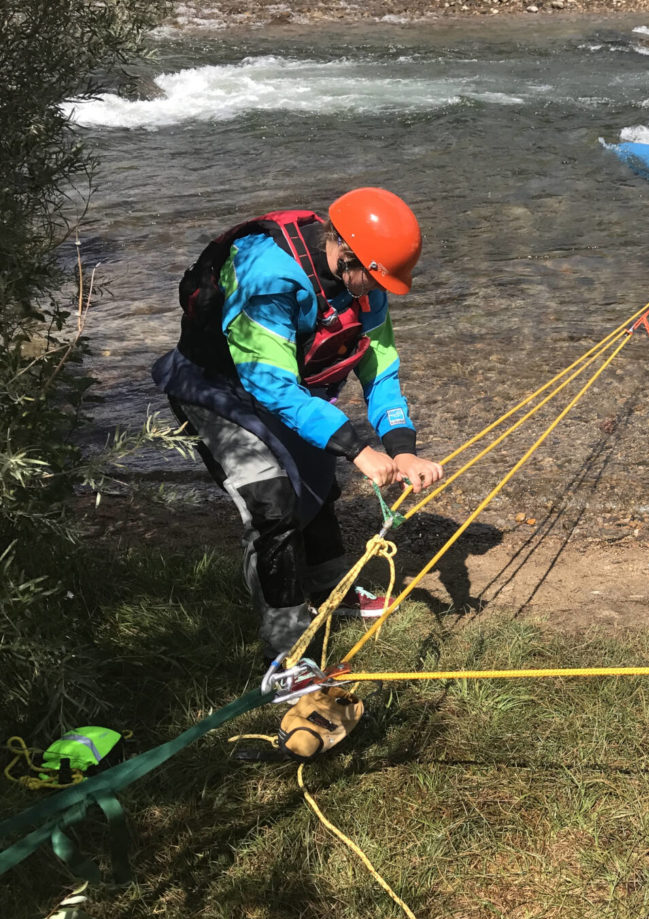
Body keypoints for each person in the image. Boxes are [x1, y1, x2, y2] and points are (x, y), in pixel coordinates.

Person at [152, 187, 444, 661]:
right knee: (272, 503)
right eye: (373, 278)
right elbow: (271, 386)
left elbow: (381, 370)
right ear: (345, 252)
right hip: (216, 390)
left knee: (319, 481)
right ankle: (288, 644)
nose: (377, 291)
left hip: (283, 388)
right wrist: (358, 448)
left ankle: (333, 591)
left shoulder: (362, 280)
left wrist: (400, 446)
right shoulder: (269, 277)